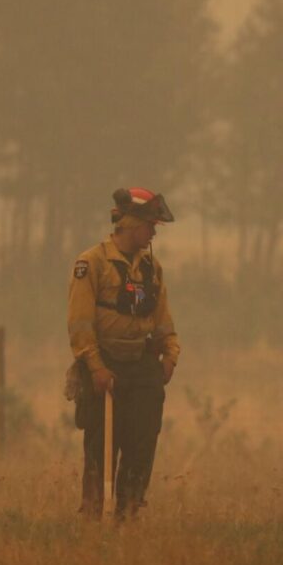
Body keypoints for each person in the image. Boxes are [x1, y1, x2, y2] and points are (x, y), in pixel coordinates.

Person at [67, 187, 179, 518]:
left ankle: (128, 515)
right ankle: (92, 516)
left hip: (141, 368)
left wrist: (170, 354)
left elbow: (163, 320)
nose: (154, 232)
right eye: (150, 226)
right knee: (100, 448)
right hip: (105, 367)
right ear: (131, 224)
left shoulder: (151, 268)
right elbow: (79, 324)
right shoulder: (91, 264)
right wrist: (97, 368)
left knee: (142, 444)